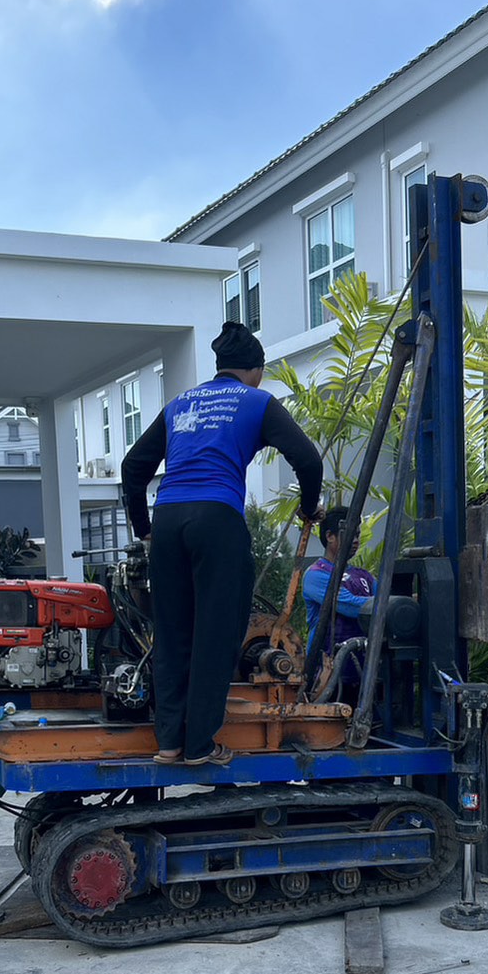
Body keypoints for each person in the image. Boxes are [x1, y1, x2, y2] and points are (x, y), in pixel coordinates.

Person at [121, 320, 323, 767]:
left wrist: (144, 527)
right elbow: (308, 460)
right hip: (217, 518)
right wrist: (310, 507)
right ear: (256, 370)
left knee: (171, 633)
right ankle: (199, 746)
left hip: (168, 519)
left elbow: (133, 466)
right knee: (216, 633)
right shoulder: (256, 401)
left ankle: (169, 743)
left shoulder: (180, 404)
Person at [302, 505, 376, 703]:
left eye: (357, 535)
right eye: (350, 534)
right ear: (330, 536)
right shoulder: (316, 575)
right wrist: (388, 603)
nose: (356, 540)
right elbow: (350, 605)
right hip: (326, 679)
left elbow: (386, 601)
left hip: (364, 677)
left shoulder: (365, 577)